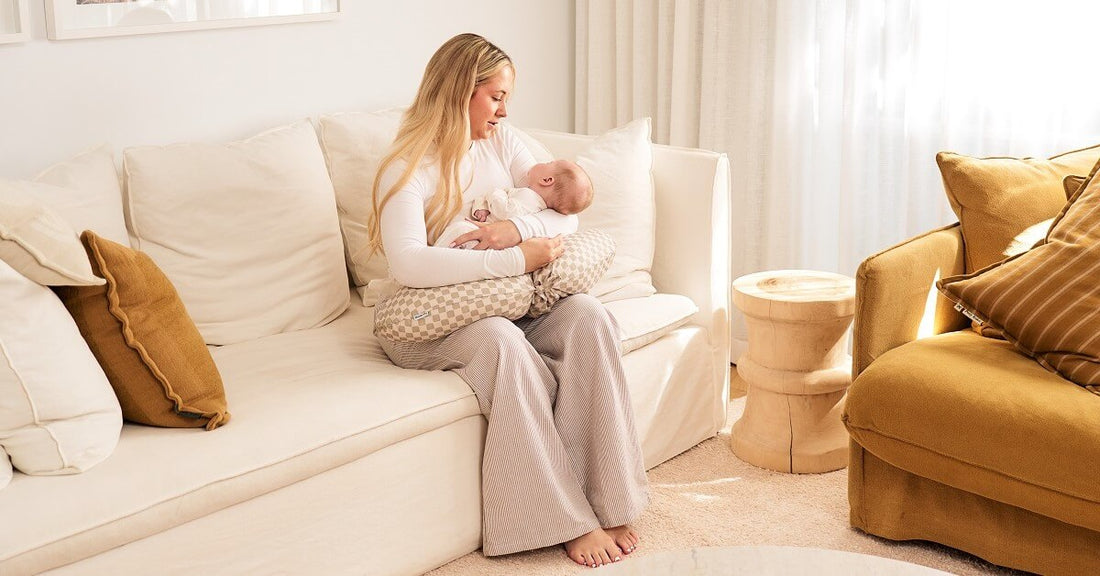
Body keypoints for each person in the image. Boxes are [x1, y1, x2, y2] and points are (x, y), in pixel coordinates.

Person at [365, 33, 647, 568]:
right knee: (500, 341)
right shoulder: (410, 167)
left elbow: (566, 207)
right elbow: (410, 263)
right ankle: (564, 518)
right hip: (431, 319)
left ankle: (612, 498)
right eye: (494, 96)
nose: (503, 108)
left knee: (588, 316)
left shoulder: (503, 141)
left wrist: (512, 229)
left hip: (506, 299)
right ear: (458, 92)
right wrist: (515, 257)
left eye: (505, 97)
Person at [436, 159, 594, 250]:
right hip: (491, 244)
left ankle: (434, 254)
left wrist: (494, 193)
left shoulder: (529, 197)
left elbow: (506, 212)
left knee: (460, 229)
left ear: (546, 180)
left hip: (483, 239)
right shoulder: (537, 204)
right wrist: (484, 207)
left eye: (548, 162)